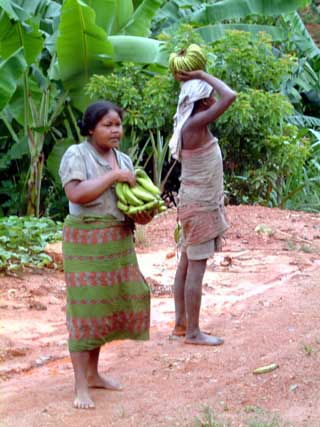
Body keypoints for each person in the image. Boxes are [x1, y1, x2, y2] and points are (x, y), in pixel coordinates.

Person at [59, 100, 151, 409]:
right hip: (85, 240)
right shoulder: (77, 154)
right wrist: (114, 177)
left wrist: (145, 212)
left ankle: (95, 374)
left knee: (106, 306)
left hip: (117, 240)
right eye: (108, 125)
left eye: (118, 125)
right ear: (90, 128)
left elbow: (131, 205)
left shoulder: (122, 158)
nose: (115, 131)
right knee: (85, 311)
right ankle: (80, 385)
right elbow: (76, 193)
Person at [169, 70, 237, 346]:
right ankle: (193, 332)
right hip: (200, 208)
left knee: (186, 264)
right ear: (205, 101)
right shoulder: (195, 124)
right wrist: (201, 74)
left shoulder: (190, 124)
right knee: (195, 267)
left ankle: (181, 326)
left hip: (193, 204)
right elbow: (230, 95)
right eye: (210, 96)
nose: (214, 99)